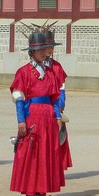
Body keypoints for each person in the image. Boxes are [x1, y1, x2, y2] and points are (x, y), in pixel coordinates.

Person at [9, 27, 64, 196]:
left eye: (44, 50)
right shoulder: (23, 72)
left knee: (46, 153)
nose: (43, 53)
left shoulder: (50, 73)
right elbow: (19, 98)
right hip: (32, 114)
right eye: (39, 50)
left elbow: (55, 97)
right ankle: (31, 190)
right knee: (32, 153)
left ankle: (43, 190)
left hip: (48, 116)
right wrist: (21, 121)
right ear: (32, 51)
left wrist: (57, 117)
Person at [43, 28, 72, 173]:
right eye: (48, 47)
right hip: (42, 107)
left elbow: (62, 89)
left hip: (56, 106)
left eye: (52, 47)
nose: (50, 50)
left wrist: (60, 106)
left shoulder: (57, 66)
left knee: (58, 137)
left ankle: (56, 167)